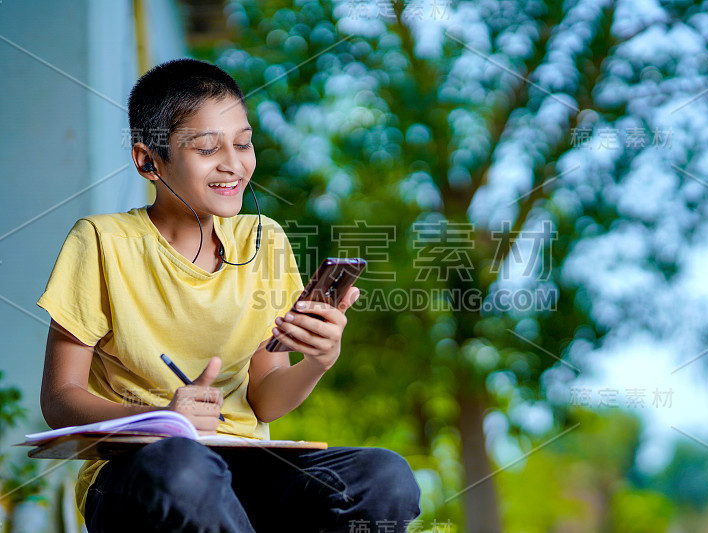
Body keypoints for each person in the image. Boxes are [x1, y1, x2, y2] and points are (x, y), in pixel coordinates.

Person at [37, 58, 421, 533]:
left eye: (243, 143)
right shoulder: (101, 241)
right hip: (143, 473)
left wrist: (319, 360)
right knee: (184, 467)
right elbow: (59, 398)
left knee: (382, 476)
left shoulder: (266, 240)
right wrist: (160, 417)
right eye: (206, 148)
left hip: (245, 468)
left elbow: (265, 401)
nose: (234, 164)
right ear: (147, 161)